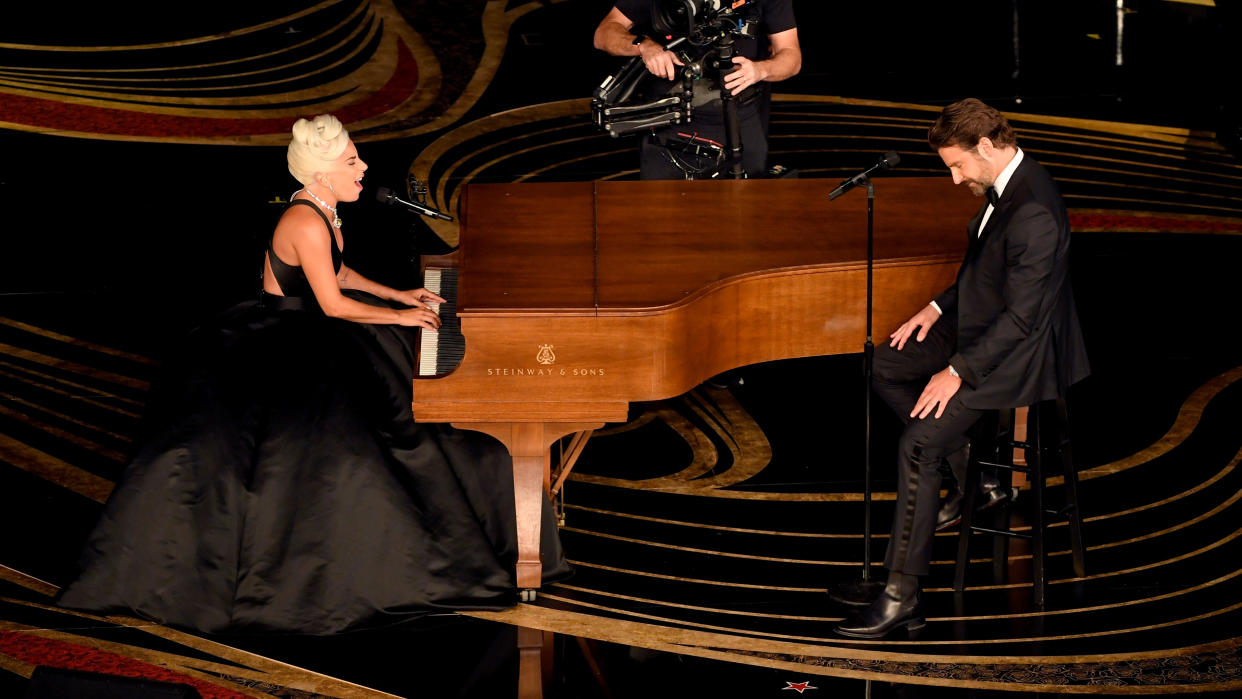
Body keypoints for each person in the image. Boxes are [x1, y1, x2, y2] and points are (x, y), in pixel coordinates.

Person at [56, 115, 571, 635]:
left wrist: (397, 294)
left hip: (316, 322)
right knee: (368, 437)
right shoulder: (303, 220)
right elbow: (332, 303)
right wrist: (397, 316)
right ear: (322, 174)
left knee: (414, 406)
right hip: (291, 335)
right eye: (351, 161)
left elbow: (339, 272)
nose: (364, 167)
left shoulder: (323, 208)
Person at [834, 99, 1090, 639]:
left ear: (988, 148)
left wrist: (955, 371)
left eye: (957, 166)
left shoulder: (1035, 210)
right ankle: (981, 475)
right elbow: (986, 274)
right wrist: (937, 306)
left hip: (1018, 352)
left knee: (919, 445)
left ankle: (902, 595)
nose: (954, 179)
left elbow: (1022, 318)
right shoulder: (1004, 187)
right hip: (978, 325)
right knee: (884, 365)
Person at [593, 0, 801, 179]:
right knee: (662, 222)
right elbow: (604, 33)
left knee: (742, 218)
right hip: (669, 126)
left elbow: (791, 55)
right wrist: (643, 46)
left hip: (739, 124)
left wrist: (760, 70)